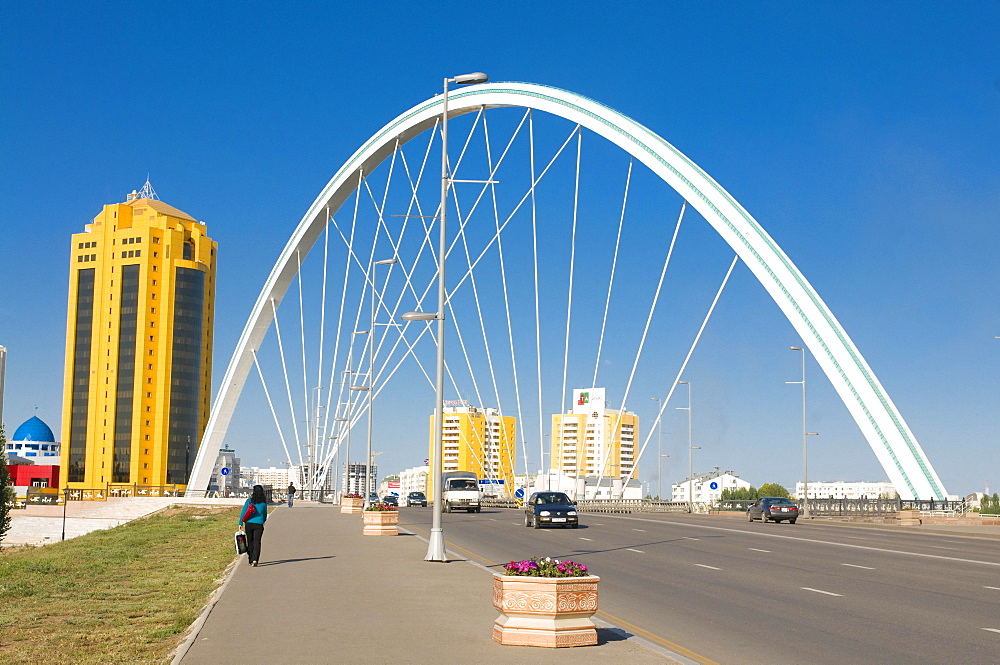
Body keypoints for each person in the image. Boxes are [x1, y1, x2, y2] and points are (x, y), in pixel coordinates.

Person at [239, 485, 268, 567]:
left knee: (250, 542)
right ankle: (255, 559)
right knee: (257, 542)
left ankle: (250, 559)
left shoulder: (249, 501)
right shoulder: (264, 503)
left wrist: (240, 523)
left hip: (249, 524)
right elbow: (264, 514)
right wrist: (263, 521)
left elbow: (243, 512)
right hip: (259, 524)